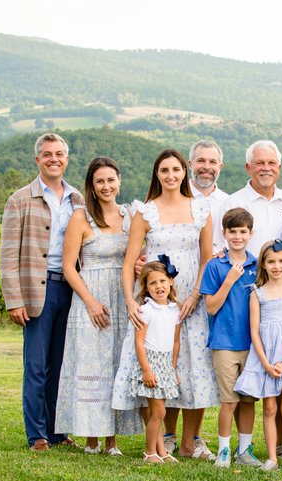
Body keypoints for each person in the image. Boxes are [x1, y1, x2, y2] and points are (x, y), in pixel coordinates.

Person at [115, 148, 218, 460]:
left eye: (175, 170)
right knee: (163, 360)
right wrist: (131, 302)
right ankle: (166, 438)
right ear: (156, 175)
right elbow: (129, 261)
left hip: (192, 301)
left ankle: (192, 441)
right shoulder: (145, 213)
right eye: (164, 171)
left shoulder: (201, 209)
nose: (171, 176)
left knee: (195, 365)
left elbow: (206, 259)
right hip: (159, 302)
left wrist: (195, 295)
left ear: (184, 172)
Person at [0, 133, 84, 451]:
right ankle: (37, 435)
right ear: (38, 159)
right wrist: (14, 299)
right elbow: (8, 255)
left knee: (62, 366)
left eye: (59, 153)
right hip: (37, 291)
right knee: (36, 366)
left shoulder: (78, 199)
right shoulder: (20, 199)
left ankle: (57, 431)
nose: (54, 159)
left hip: (70, 290)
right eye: (47, 154)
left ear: (66, 158)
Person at [55, 157, 142, 456]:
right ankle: (92, 438)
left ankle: (112, 441)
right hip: (91, 296)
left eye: (110, 180)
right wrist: (90, 302)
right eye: (99, 181)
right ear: (92, 186)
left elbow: (136, 256)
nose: (106, 186)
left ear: (119, 180)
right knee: (94, 365)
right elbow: (68, 267)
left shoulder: (130, 215)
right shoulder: (81, 217)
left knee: (118, 362)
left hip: (123, 296)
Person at [233, 240, 282, 473]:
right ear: (263, 264)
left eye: (281, 261)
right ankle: (272, 457)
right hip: (265, 357)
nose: (277, 266)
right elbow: (254, 331)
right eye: (271, 261)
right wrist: (265, 362)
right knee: (270, 408)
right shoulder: (258, 294)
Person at [199, 208, 261, 468]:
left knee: (248, 400)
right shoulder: (215, 265)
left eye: (242, 232)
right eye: (232, 232)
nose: (237, 236)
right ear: (223, 234)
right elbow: (211, 307)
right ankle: (223, 450)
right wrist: (229, 280)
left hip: (253, 344)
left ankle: (244, 450)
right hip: (225, 342)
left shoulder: (258, 265)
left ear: (250, 233)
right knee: (229, 400)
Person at [131, 258, 182, 464]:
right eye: (153, 283)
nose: (158, 286)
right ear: (146, 287)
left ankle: (161, 452)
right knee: (158, 411)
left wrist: (172, 368)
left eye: (162, 281)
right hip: (150, 363)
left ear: (170, 282)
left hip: (165, 363)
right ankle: (150, 452)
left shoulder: (175, 309)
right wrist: (146, 370)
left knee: (158, 412)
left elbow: (176, 342)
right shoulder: (146, 310)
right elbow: (139, 342)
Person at [222, 141, 282, 257]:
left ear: (279, 168)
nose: (266, 168)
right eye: (260, 163)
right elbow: (220, 248)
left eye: (272, 163)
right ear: (248, 168)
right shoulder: (232, 203)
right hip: (245, 274)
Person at [188, 140, 230, 254]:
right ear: (190, 164)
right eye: (201, 161)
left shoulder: (229, 203)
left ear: (220, 166)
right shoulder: (176, 198)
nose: (207, 167)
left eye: (212, 162)